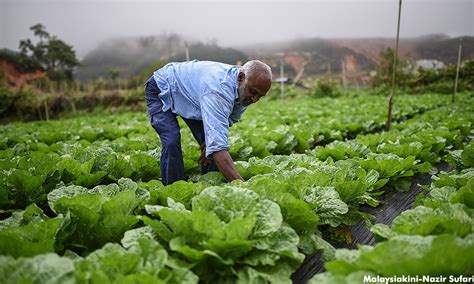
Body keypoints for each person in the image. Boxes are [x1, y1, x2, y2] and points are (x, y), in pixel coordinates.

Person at [144, 60, 272, 185]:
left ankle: (209, 185)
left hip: (193, 97)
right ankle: (172, 187)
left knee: (211, 143)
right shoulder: (218, 90)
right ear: (240, 78)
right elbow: (218, 148)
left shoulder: (244, 91)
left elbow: (227, 120)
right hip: (162, 87)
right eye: (254, 92)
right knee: (171, 140)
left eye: (260, 96)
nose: (255, 100)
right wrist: (243, 186)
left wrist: (210, 142)